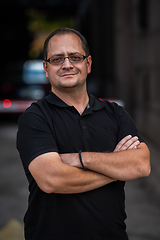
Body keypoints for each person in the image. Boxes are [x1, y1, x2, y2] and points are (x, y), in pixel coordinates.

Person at [17, 28, 151, 240]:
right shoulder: (35, 118)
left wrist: (80, 158)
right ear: (46, 68)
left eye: (75, 57)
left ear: (88, 64)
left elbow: (141, 165)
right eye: (57, 59)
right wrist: (116, 168)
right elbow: (52, 180)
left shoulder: (115, 114)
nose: (67, 65)